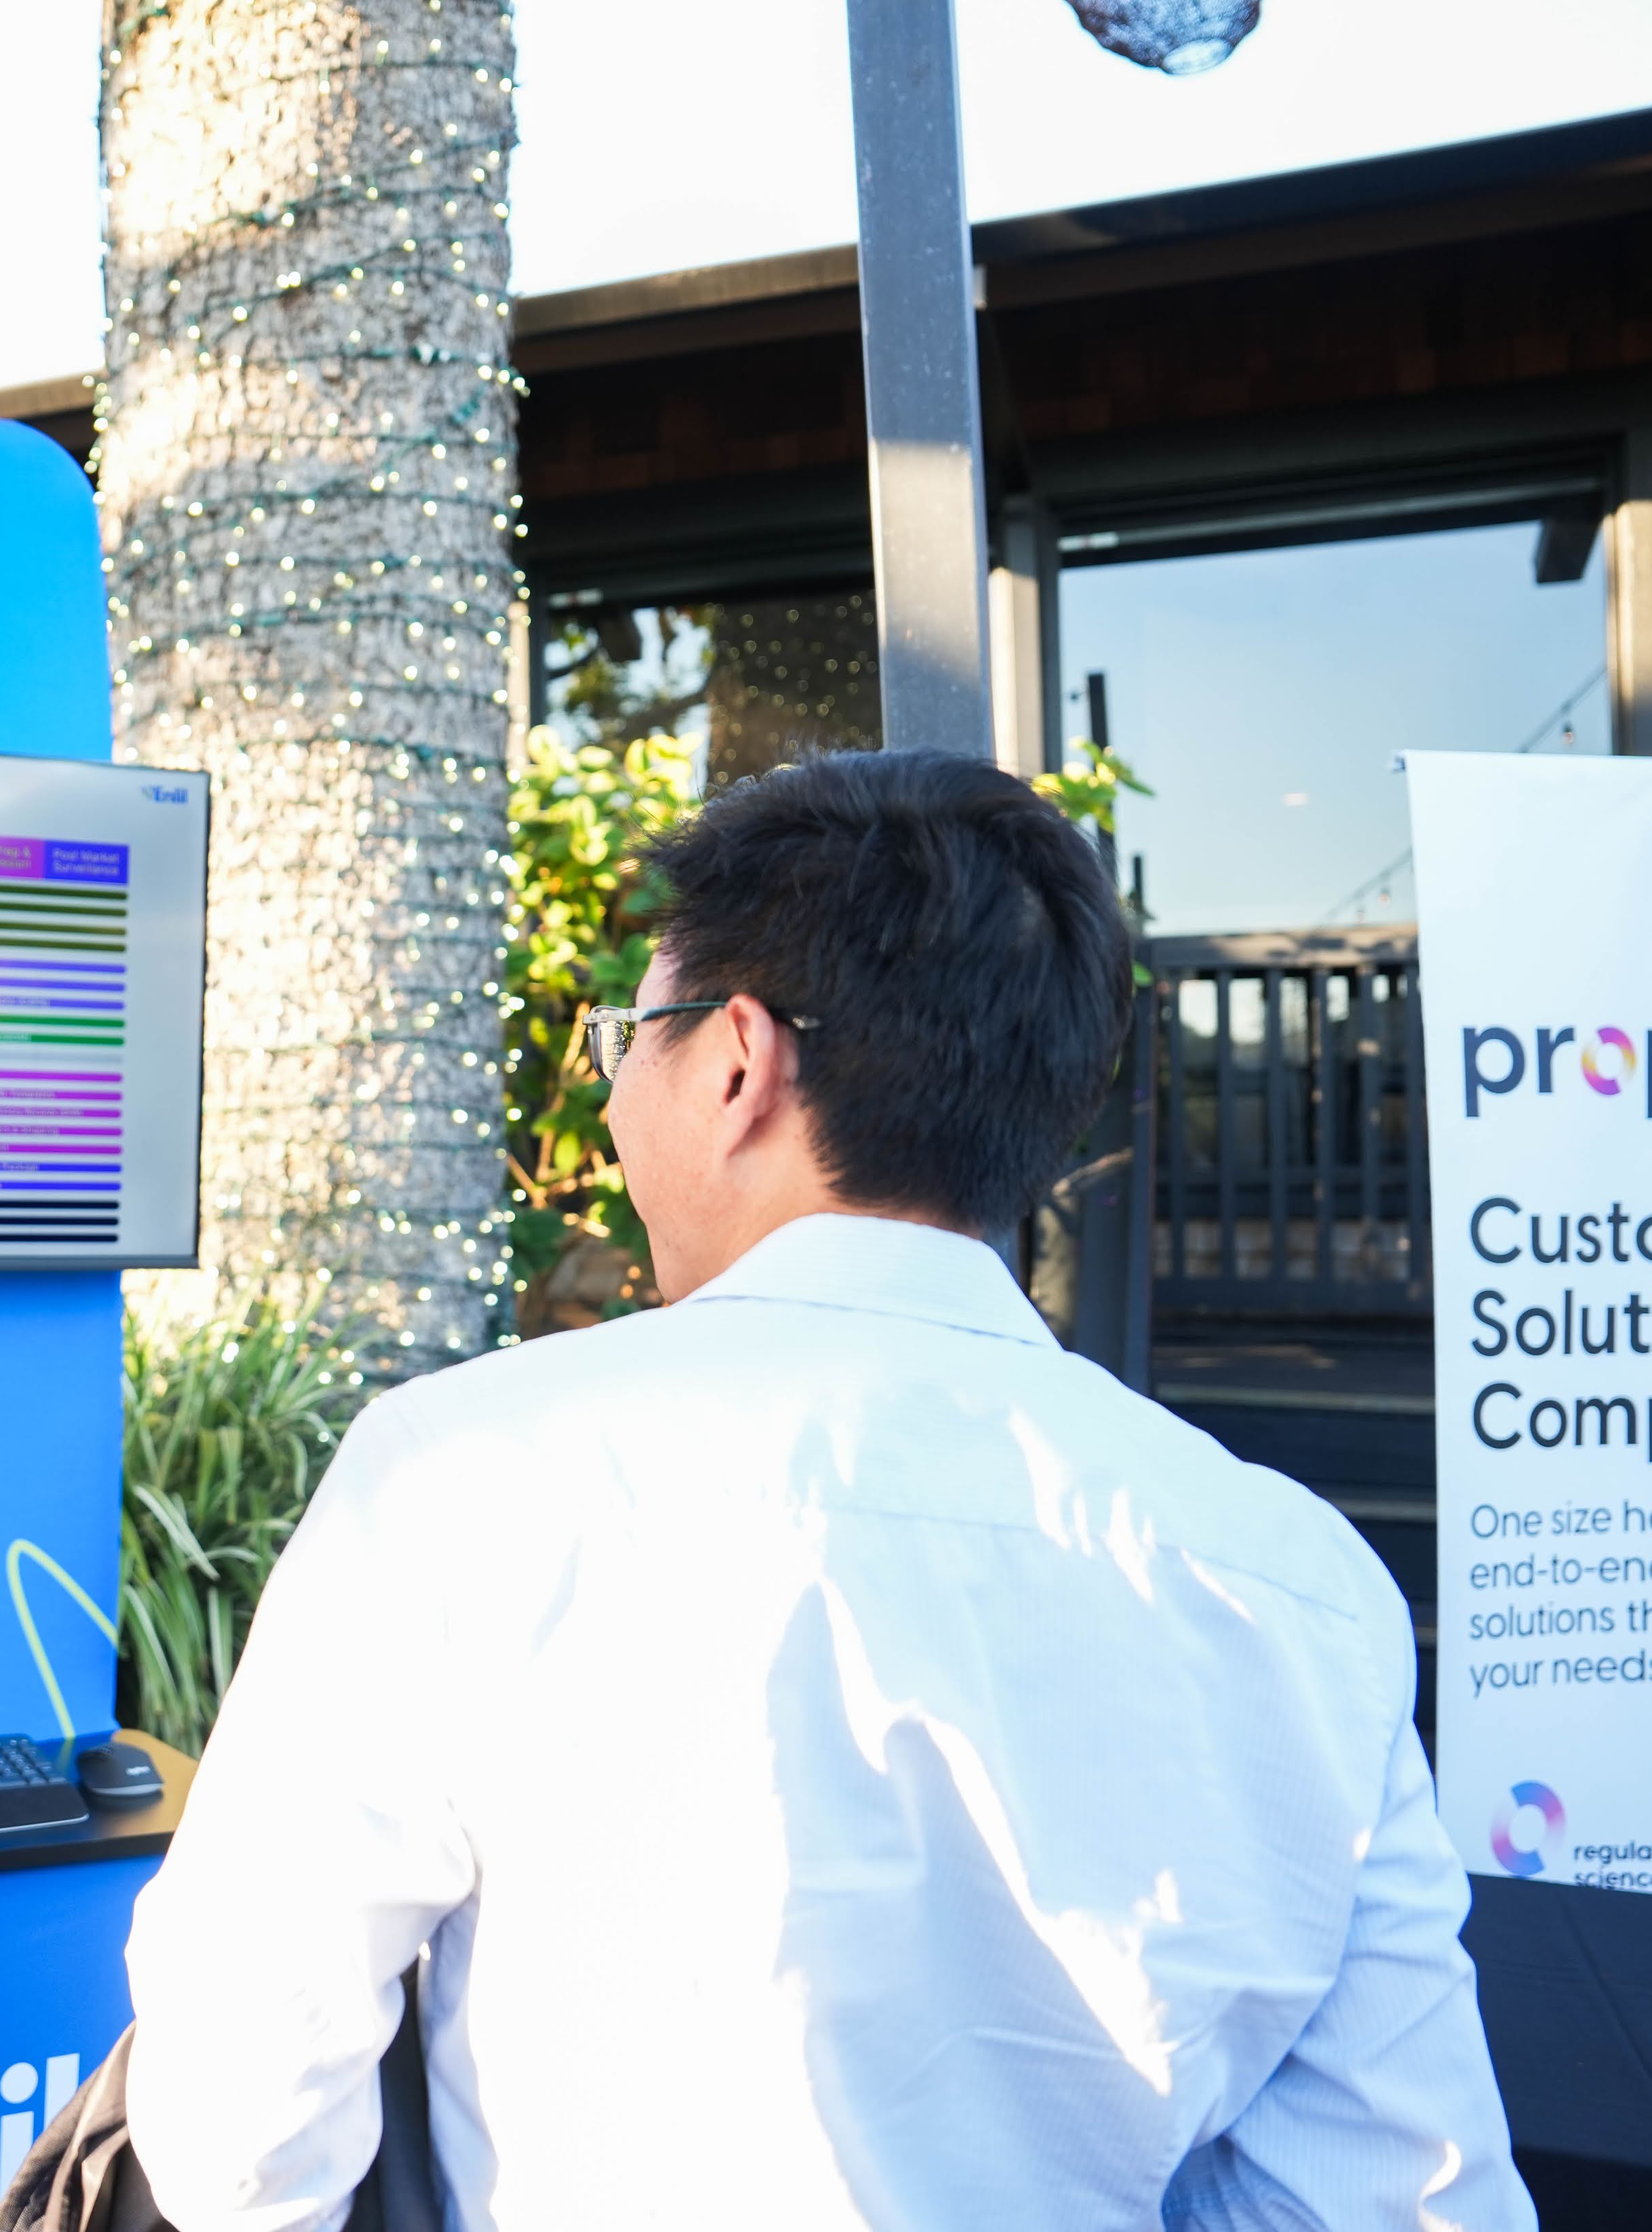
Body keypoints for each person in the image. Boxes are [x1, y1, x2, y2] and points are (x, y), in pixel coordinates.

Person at [124, 752, 1528, 2229]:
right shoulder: (1299, 1584)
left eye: (625, 1040)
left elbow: (238, 2111)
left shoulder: (466, 1475)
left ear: (735, 1061)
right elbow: (1405, 2196)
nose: (609, 1097)